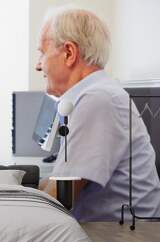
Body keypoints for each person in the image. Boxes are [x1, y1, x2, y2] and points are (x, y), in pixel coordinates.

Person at [36, 7, 160, 221]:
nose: (38, 65)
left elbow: (59, 199)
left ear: (69, 53)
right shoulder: (95, 95)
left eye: (42, 53)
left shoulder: (97, 99)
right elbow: (56, 183)